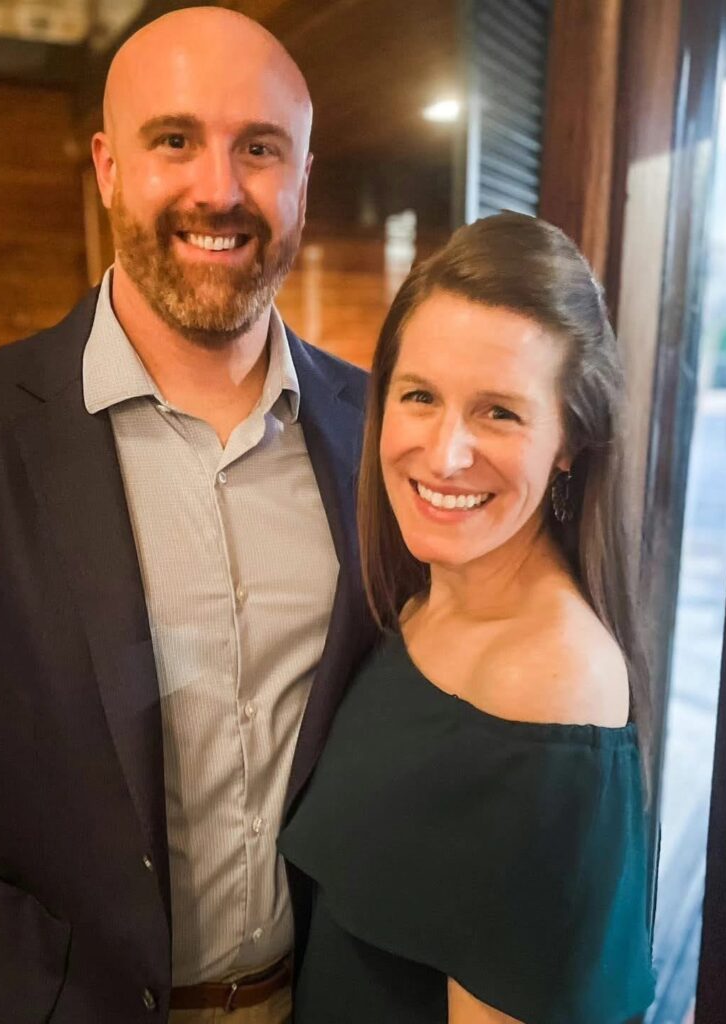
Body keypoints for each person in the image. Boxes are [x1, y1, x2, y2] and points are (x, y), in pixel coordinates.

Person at [0, 9, 376, 1024]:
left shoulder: (380, 437)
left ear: (302, 175)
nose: (219, 188)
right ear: (108, 166)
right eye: (174, 139)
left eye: (259, 148)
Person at [279, 213, 658, 1023]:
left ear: (570, 441)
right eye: (419, 397)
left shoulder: (550, 687)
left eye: (499, 413)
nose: (444, 454)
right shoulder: (419, 600)